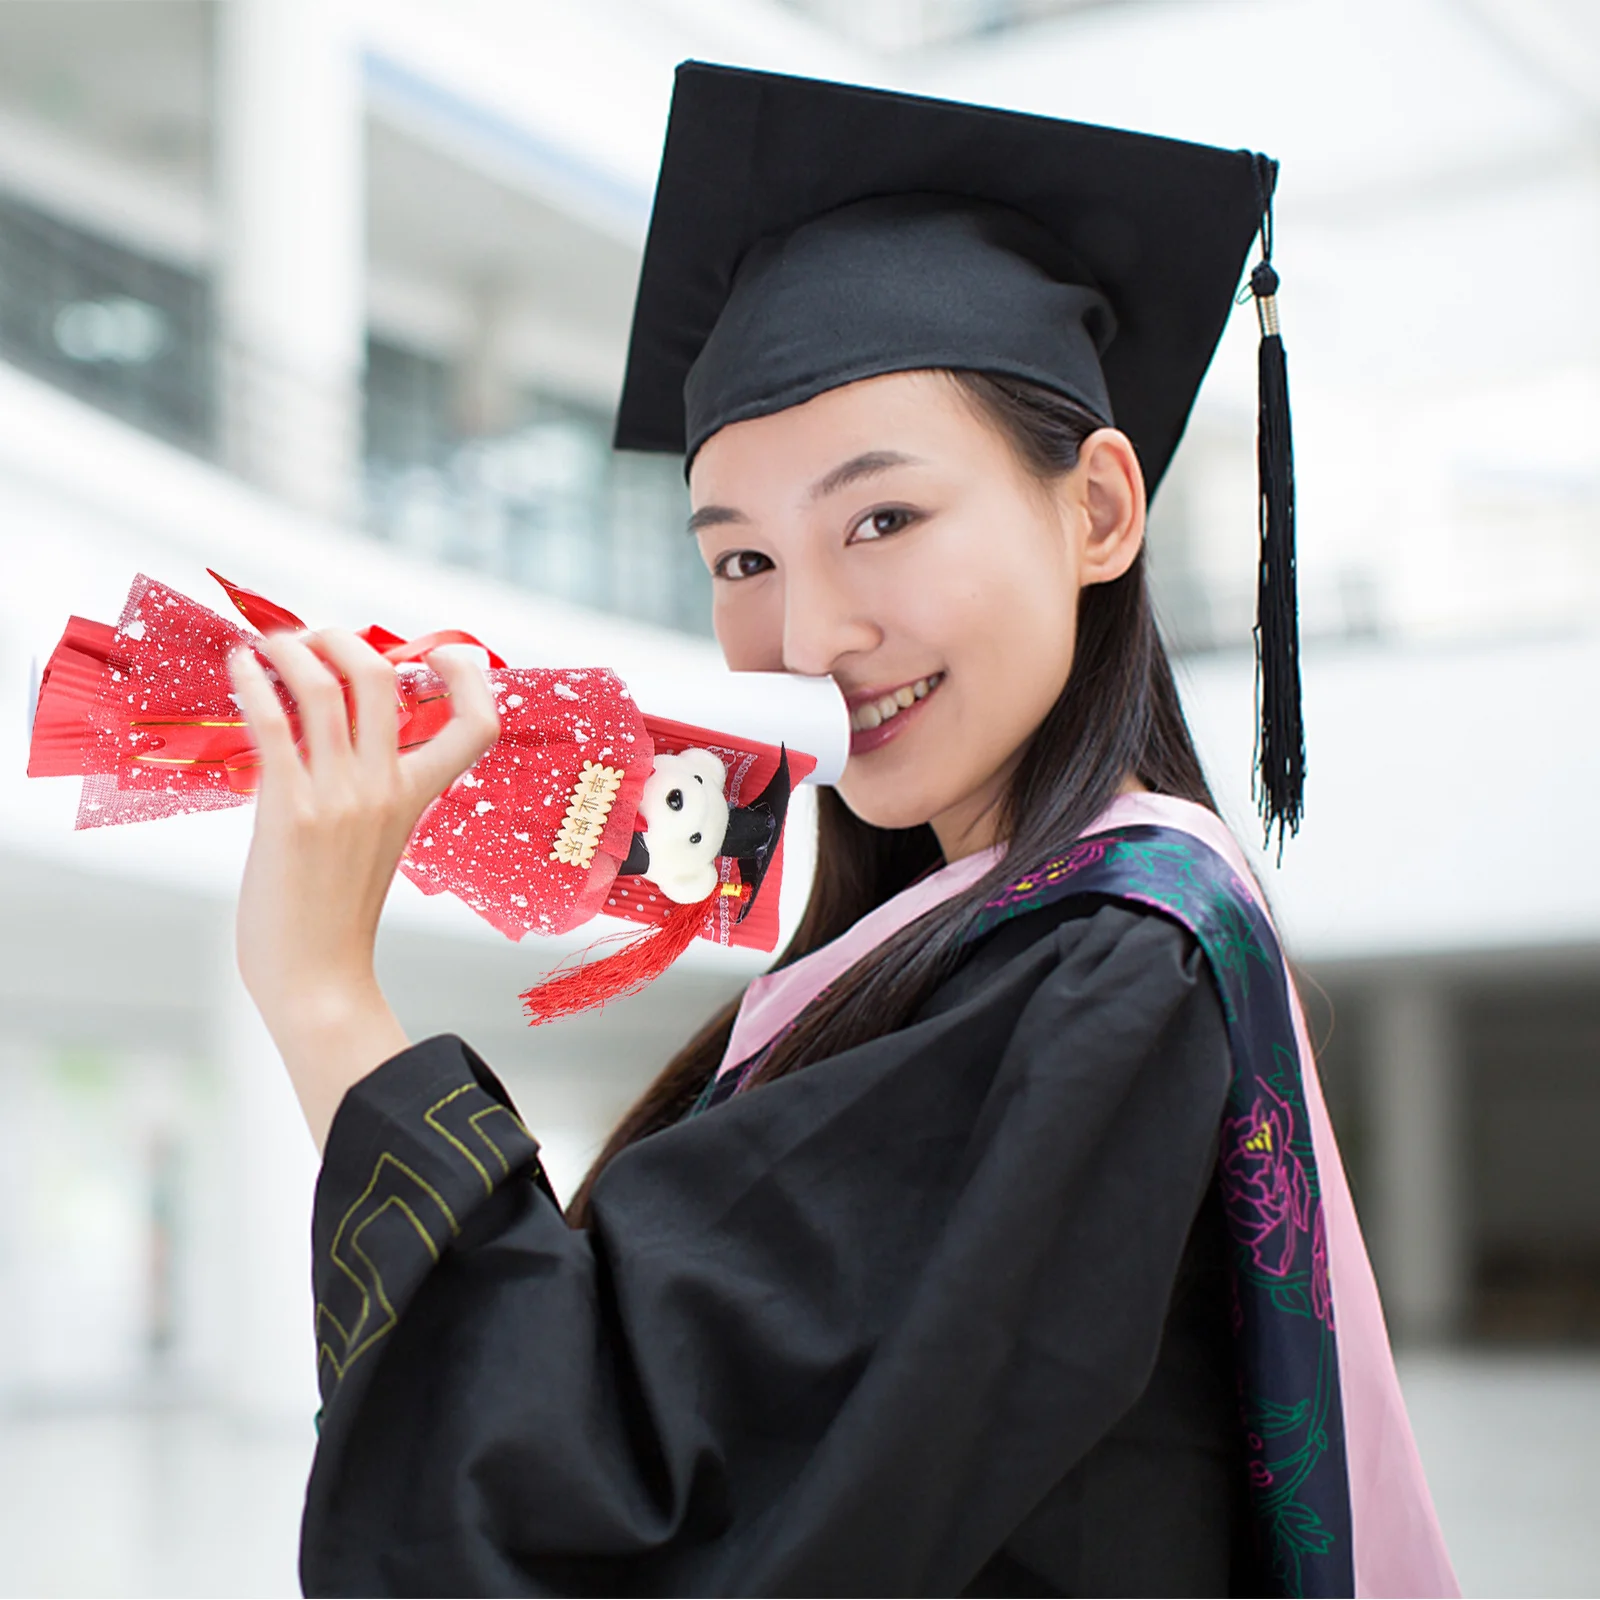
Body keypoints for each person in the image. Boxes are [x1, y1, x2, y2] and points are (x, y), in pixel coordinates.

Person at [226, 64, 1457, 1597]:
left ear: (1099, 512)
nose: (802, 631)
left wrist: (324, 990)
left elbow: (602, 1479)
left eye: (881, 520)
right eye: (740, 557)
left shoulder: (1097, 970)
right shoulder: (985, 941)